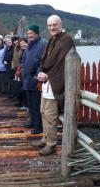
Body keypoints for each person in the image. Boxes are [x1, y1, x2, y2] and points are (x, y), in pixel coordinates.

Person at [32, 15, 75, 156]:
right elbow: (47, 60)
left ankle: (51, 144)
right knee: (43, 111)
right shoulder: (52, 39)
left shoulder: (66, 40)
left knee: (50, 115)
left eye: (54, 25)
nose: (52, 28)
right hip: (46, 83)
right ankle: (45, 138)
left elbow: (61, 64)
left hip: (55, 82)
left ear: (61, 24)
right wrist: (42, 73)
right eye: (49, 25)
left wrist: (47, 75)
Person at [21, 25, 47, 134]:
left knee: (37, 105)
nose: (29, 35)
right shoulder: (29, 45)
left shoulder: (43, 43)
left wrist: (38, 74)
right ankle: (32, 121)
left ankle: (38, 127)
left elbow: (44, 61)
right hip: (27, 79)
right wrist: (23, 70)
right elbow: (24, 60)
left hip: (36, 80)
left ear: (36, 33)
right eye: (28, 33)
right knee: (30, 103)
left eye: (31, 33)